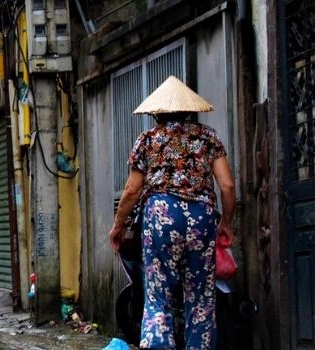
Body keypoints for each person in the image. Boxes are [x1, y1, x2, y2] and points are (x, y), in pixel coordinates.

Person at [108, 76, 235, 349]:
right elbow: (227, 184)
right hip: (202, 217)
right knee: (201, 296)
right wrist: (226, 222)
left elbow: (132, 190)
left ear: (156, 112)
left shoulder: (148, 140)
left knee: (158, 293)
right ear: (190, 109)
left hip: (161, 217)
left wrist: (118, 225)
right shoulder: (208, 136)